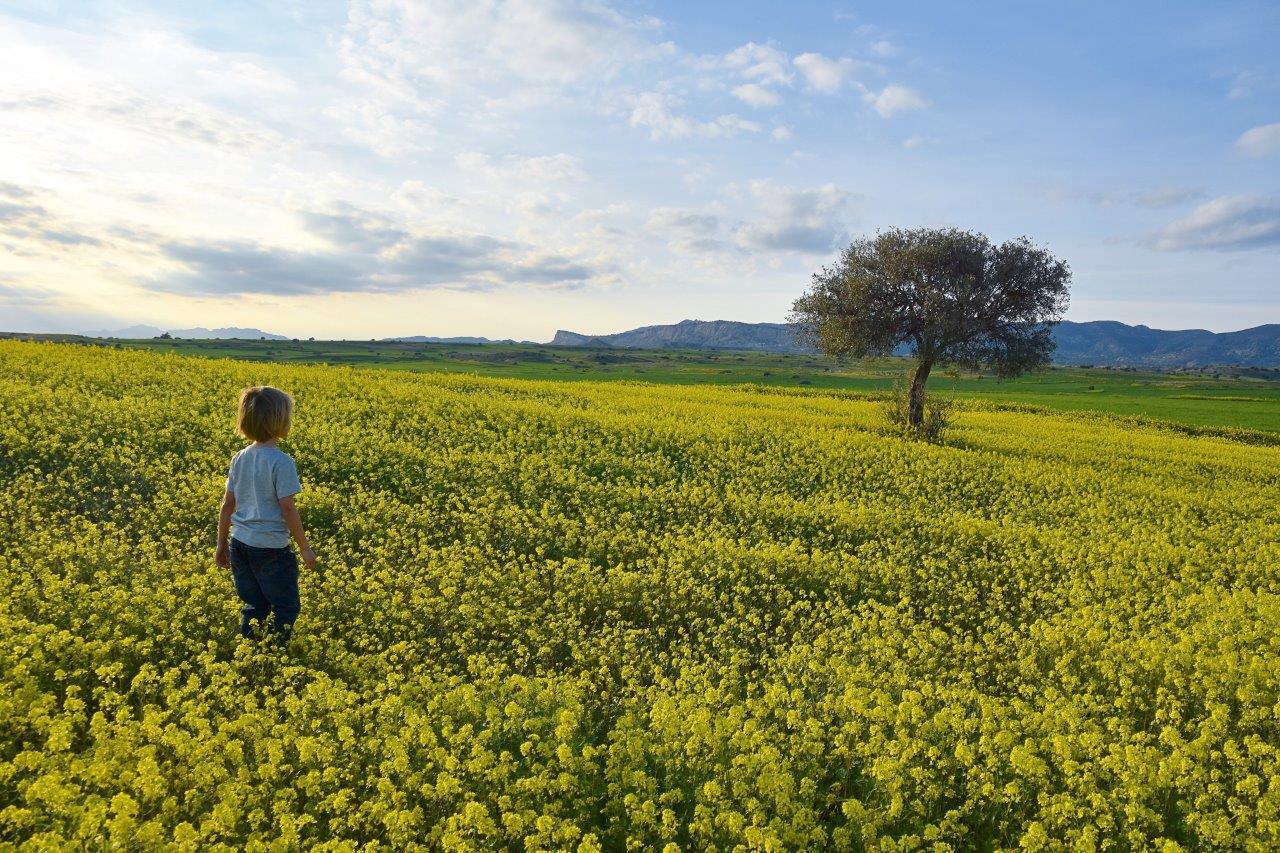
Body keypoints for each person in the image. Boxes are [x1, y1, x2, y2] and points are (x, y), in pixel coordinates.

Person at [215, 385, 317, 639]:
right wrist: (304, 547)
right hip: (271, 548)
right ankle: (275, 648)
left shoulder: (239, 457)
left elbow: (228, 505)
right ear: (281, 421)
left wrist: (221, 544)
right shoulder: (281, 462)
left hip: (240, 544)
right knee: (286, 605)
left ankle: (251, 648)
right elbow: (288, 508)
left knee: (255, 605)